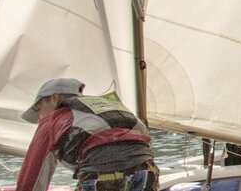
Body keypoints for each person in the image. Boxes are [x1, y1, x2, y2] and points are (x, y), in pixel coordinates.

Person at [15, 78, 157, 191]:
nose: (40, 118)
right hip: (146, 170)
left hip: (101, 173)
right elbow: (145, 139)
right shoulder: (112, 107)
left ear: (54, 98)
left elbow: (33, 175)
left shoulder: (53, 120)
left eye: (38, 109)